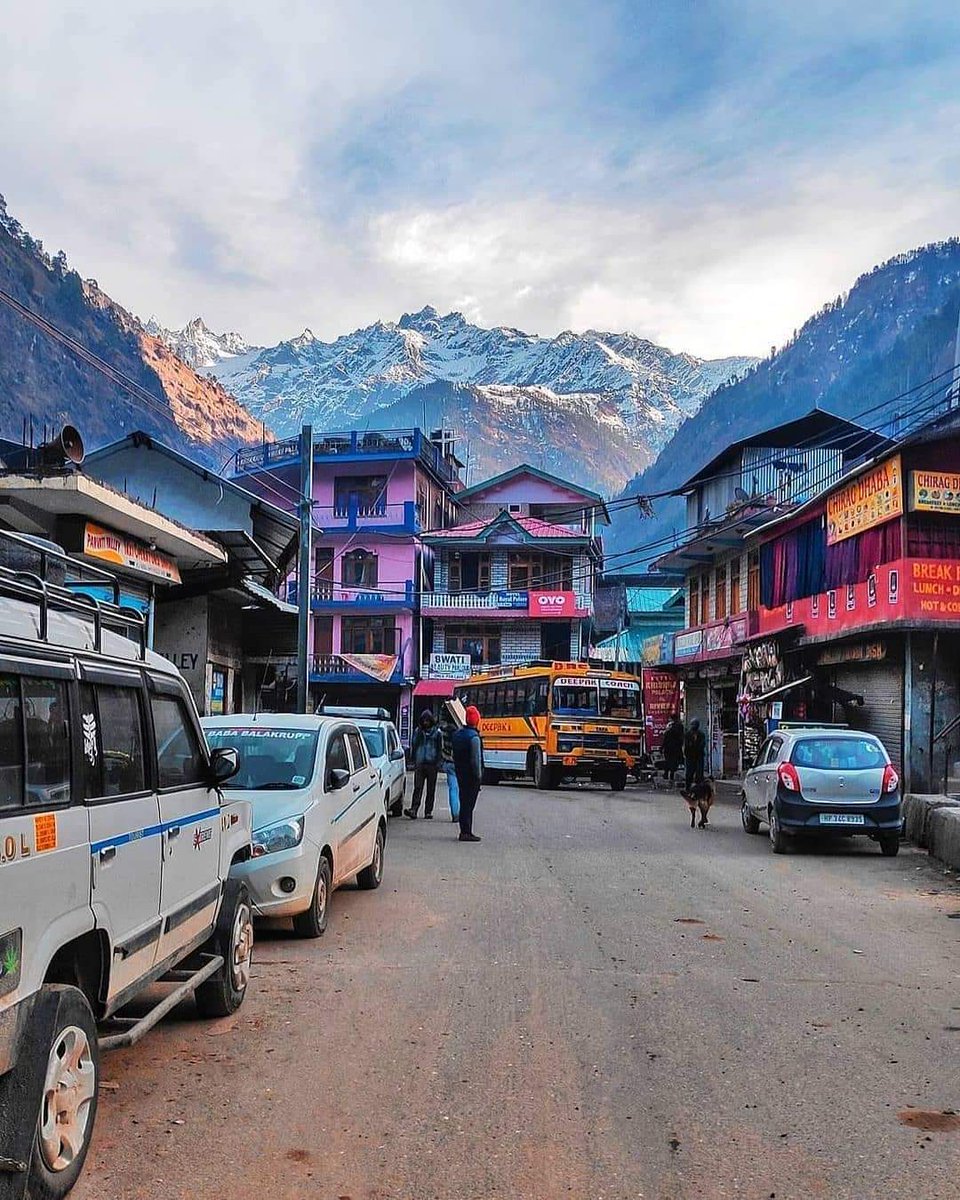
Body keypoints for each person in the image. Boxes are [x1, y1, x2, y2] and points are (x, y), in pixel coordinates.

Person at [452, 705, 484, 842]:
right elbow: (475, 760)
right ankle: (466, 832)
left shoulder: (457, 735)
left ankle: (464, 830)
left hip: (460, 772)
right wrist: (479, 776)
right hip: (471, 776)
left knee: (463, 801)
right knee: (468, 805)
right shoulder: (474, 738)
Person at [404, 711, 443, 819]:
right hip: (420, 763)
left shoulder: (437, 733)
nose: (425, 723)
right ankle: (414, 809)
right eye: (424, 720)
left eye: (427, 720)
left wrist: (438, 762)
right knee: (418, 787)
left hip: (432, 764)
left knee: (431, 789)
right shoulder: (418, 731)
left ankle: (428, 811)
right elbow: (414, 744)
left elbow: (440, 748)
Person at [439, 708, 460, 823]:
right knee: (461, 789)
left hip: (448, 762)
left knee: (453, 788)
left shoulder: (443, 730)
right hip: (459, 763)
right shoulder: (460, 732)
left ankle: (455, 813)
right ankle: (461, 812)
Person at [683, 718, 706, 792]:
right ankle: (687, 788)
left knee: (699, 774)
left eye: (695, 724)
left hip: (699, 756)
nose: (694, 726)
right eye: (693, 724)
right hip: (690, 756)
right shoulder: (687, 734)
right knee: (689, 773)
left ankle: (699, 788)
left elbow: (702, 744)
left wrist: (698, 748)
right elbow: (686, 745)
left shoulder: (701, 734)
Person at [661, 712, 684, 784]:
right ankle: (671, 775)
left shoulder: (670, 727)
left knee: (668, 761)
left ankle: (666, 774)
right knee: (674, 762)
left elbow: (665, 738)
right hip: (676, 747)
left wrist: (662, 747)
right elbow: (681, 738)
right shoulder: (680, 726)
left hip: (669, 747)